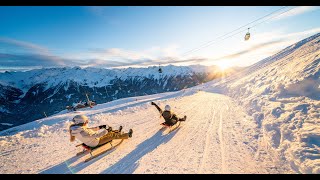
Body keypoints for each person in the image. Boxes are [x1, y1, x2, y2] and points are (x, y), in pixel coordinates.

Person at [69, 115, 133, 148]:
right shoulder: (82, 132)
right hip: (95, 142)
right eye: (86, 121)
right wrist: (106, 131)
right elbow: (95, 135)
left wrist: (100, 127)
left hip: (93, 140)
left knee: (110, 132)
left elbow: (90, 129)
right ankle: (127, 135)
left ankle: (118, 132)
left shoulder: (78, 128)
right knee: (111, 135)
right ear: (81, 122)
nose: (87, 122)